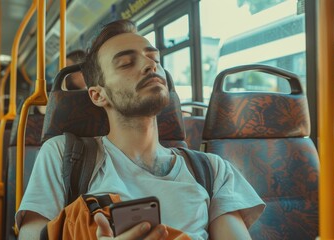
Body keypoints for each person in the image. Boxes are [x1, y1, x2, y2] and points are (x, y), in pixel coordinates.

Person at [16, 19, 265, 240]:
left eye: (154, 59)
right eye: (126, 63)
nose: (150, 66)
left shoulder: (211, 170)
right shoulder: (65, 156)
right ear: (98, 95)